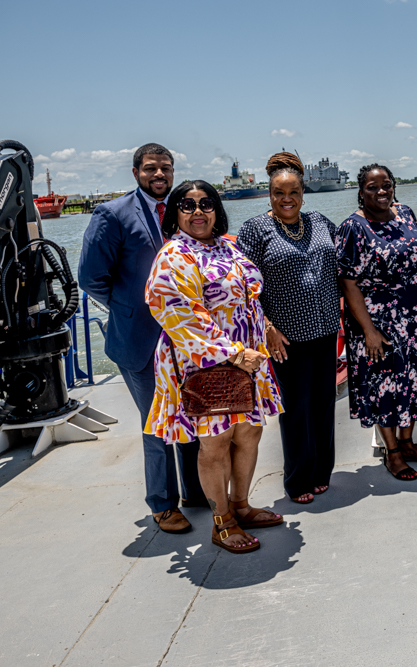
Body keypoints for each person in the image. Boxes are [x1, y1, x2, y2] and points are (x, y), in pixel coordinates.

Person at [145, 180, 285, 554]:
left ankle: (242, 506)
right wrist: (234, 354)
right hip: (205, 363)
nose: (198, 211)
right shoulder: (174, 256)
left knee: (249, 433)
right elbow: (181, 316)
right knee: (216, 441)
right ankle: (222, 521)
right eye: (187, 205)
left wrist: (265, 328)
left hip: (248, 358)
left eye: (206, 204)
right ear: (174, 213)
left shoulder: (228, 246)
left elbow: (249, 299)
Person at [79, 143, 204, 534]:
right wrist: (130, 308)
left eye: (166, 167)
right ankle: (162, 504)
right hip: (140, 340)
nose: (159, 174)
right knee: (158, 422)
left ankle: (195, 490)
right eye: (151, 168)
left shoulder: (183, 210)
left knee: (191, 415)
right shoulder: (112, 214)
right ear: (136, 173)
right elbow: (90, 278)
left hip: (183, 339)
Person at [237, 153, 340, 504]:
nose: (287, 198)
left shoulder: (319, 221)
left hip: (326, 328)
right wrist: (266, 327)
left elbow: (350, 250)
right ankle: (297, 480)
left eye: (294, 191)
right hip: (286, 336)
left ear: (303, 193)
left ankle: (322, 471)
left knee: (323, 403)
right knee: (296, 409)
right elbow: (244, 286)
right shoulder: (255, 229)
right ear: (269, 194)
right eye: (279, 192)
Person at [336, 164, 417, 481]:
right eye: (373, 187)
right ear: (361, 192)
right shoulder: (353, 227)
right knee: (385, 387)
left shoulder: (405, 213)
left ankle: (408, 444)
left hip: (414, 317)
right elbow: (348, 282)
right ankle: (392, 453)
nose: (381, 191)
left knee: (412, 380)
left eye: (387, 185)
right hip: (378, 323)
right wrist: (369, 331)